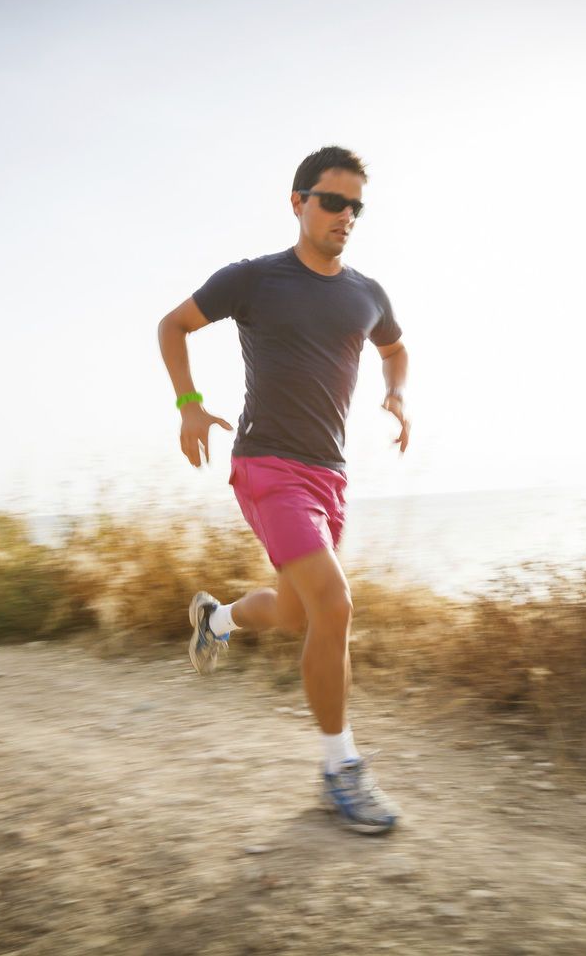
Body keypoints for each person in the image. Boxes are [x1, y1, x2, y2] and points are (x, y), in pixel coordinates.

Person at [156, 145, 410, 834]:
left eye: (356, 206)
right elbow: (173, 325)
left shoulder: (367, 294)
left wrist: (396, 397)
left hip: (330, 476)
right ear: (298, 202)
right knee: (336, 605)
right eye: (332, 201)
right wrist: (188, 403)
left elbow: (394, 348)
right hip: (266, 466)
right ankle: (340, 769)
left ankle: (216, 621)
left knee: (302, 614)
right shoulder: (253, 280)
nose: (345, 216)